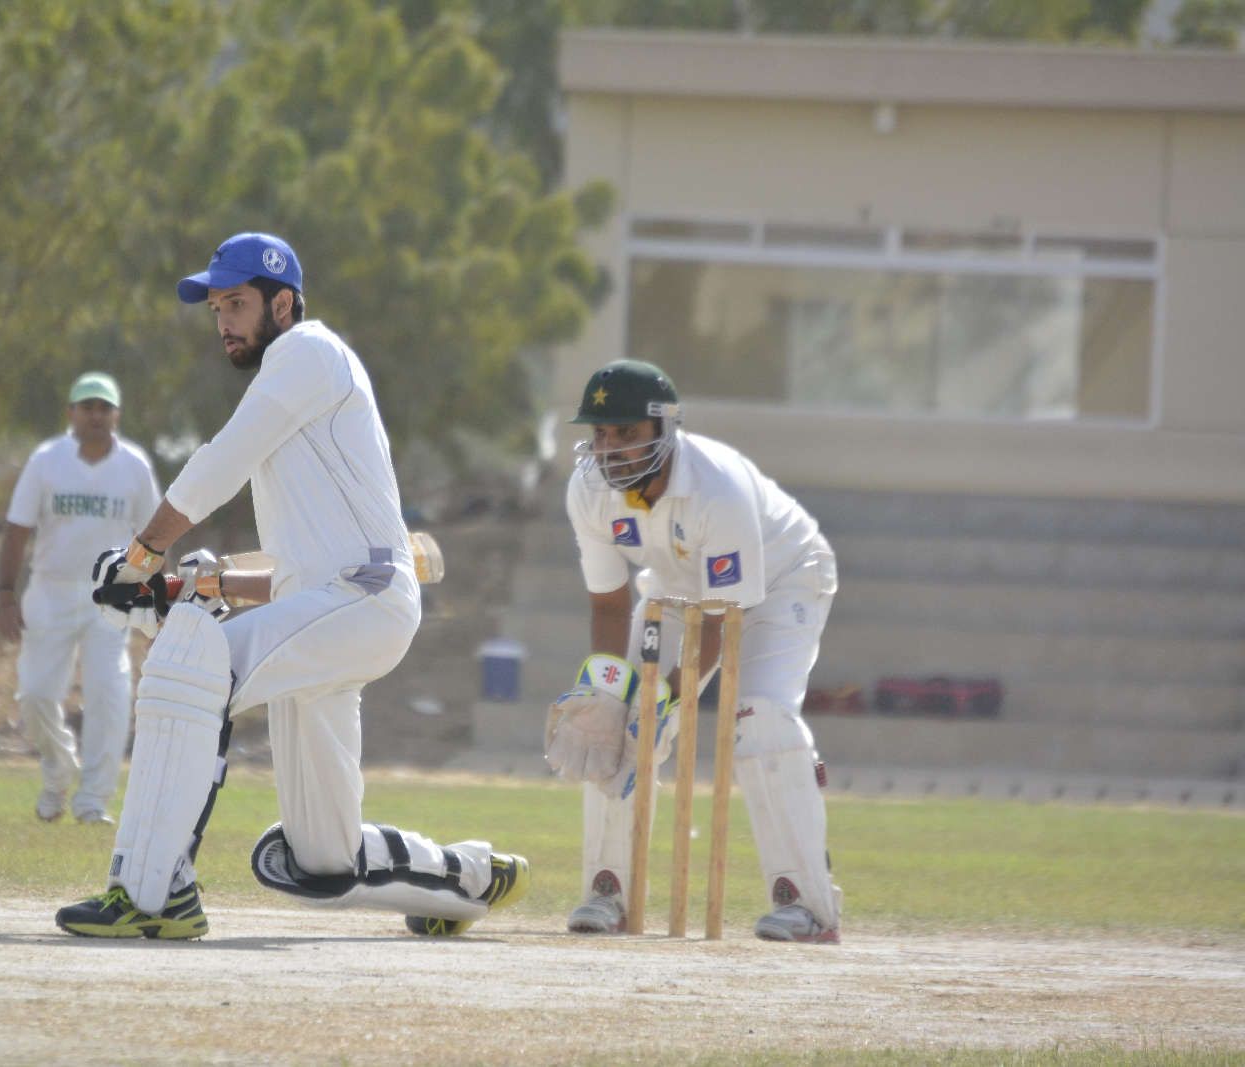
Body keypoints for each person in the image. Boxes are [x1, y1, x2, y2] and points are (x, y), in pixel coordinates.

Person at [54, 232, 528, 939]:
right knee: (321, 859)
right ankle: (468, 877)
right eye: (216, 309)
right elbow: (299, 574)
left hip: (362, 601)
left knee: (191, 663)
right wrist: (189, 587)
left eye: (237, 304)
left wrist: (141, 556)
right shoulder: (294, 397)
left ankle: (152, 893)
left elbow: (221, 461)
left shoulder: (307, 353)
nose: (223, 322)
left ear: (283, 303)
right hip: (334, 608)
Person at [544, 359, 843, 943]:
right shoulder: (588, 490)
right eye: (600, 434)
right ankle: (608, 891)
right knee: (614, 718)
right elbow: (608, 605)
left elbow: (722, 618)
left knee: (760, 717)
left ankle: (807, 904)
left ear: (664, 428)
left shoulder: (716, 487)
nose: (610, 450)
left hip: (783, 580)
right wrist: (611, 693)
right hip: (677, 585)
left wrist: (672, 697)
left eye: (626, 433)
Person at [0, 372, 161, 825]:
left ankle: (93, 799)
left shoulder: (134, 466)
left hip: (110, 595)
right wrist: (6, 595)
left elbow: (155, 537)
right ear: (71, 413)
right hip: (50, 591)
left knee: (109, 693)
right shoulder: (46, 461)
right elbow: (17, 529)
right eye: (87, 407)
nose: (96, 415)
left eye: (104, 408)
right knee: (35, 694)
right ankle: (57, 770)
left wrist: (156, 604)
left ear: (116, 415)